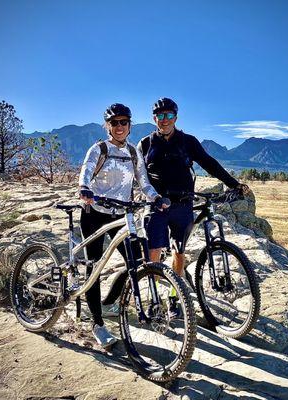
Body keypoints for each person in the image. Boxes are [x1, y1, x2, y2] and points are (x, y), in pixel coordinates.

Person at [138, 97, 250, 318]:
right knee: (153, 254)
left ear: (176, 117)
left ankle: (173, 296)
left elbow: (209, 163)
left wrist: (233, 184)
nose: (165, 120)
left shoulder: (188, 141)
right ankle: (153, 298)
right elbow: (138, 175)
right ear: (154, 119)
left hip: (183, 204)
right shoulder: (146, 144)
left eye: (169, 115)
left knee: (179, 251)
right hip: (157, 205)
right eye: (160, 116)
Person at [78, 103, 168, 348]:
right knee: (93, 268)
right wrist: (84, 189)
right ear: (107, 125)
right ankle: (97, 324)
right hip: (94, 214)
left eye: (123, 122)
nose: (119, 126)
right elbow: (85, 174)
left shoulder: (132, 152)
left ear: (130, 125)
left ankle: (111, 301)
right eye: (114, 122)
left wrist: (156, 198)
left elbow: (144, 183)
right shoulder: (98, 149)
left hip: (121, 216)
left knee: (137, 263)